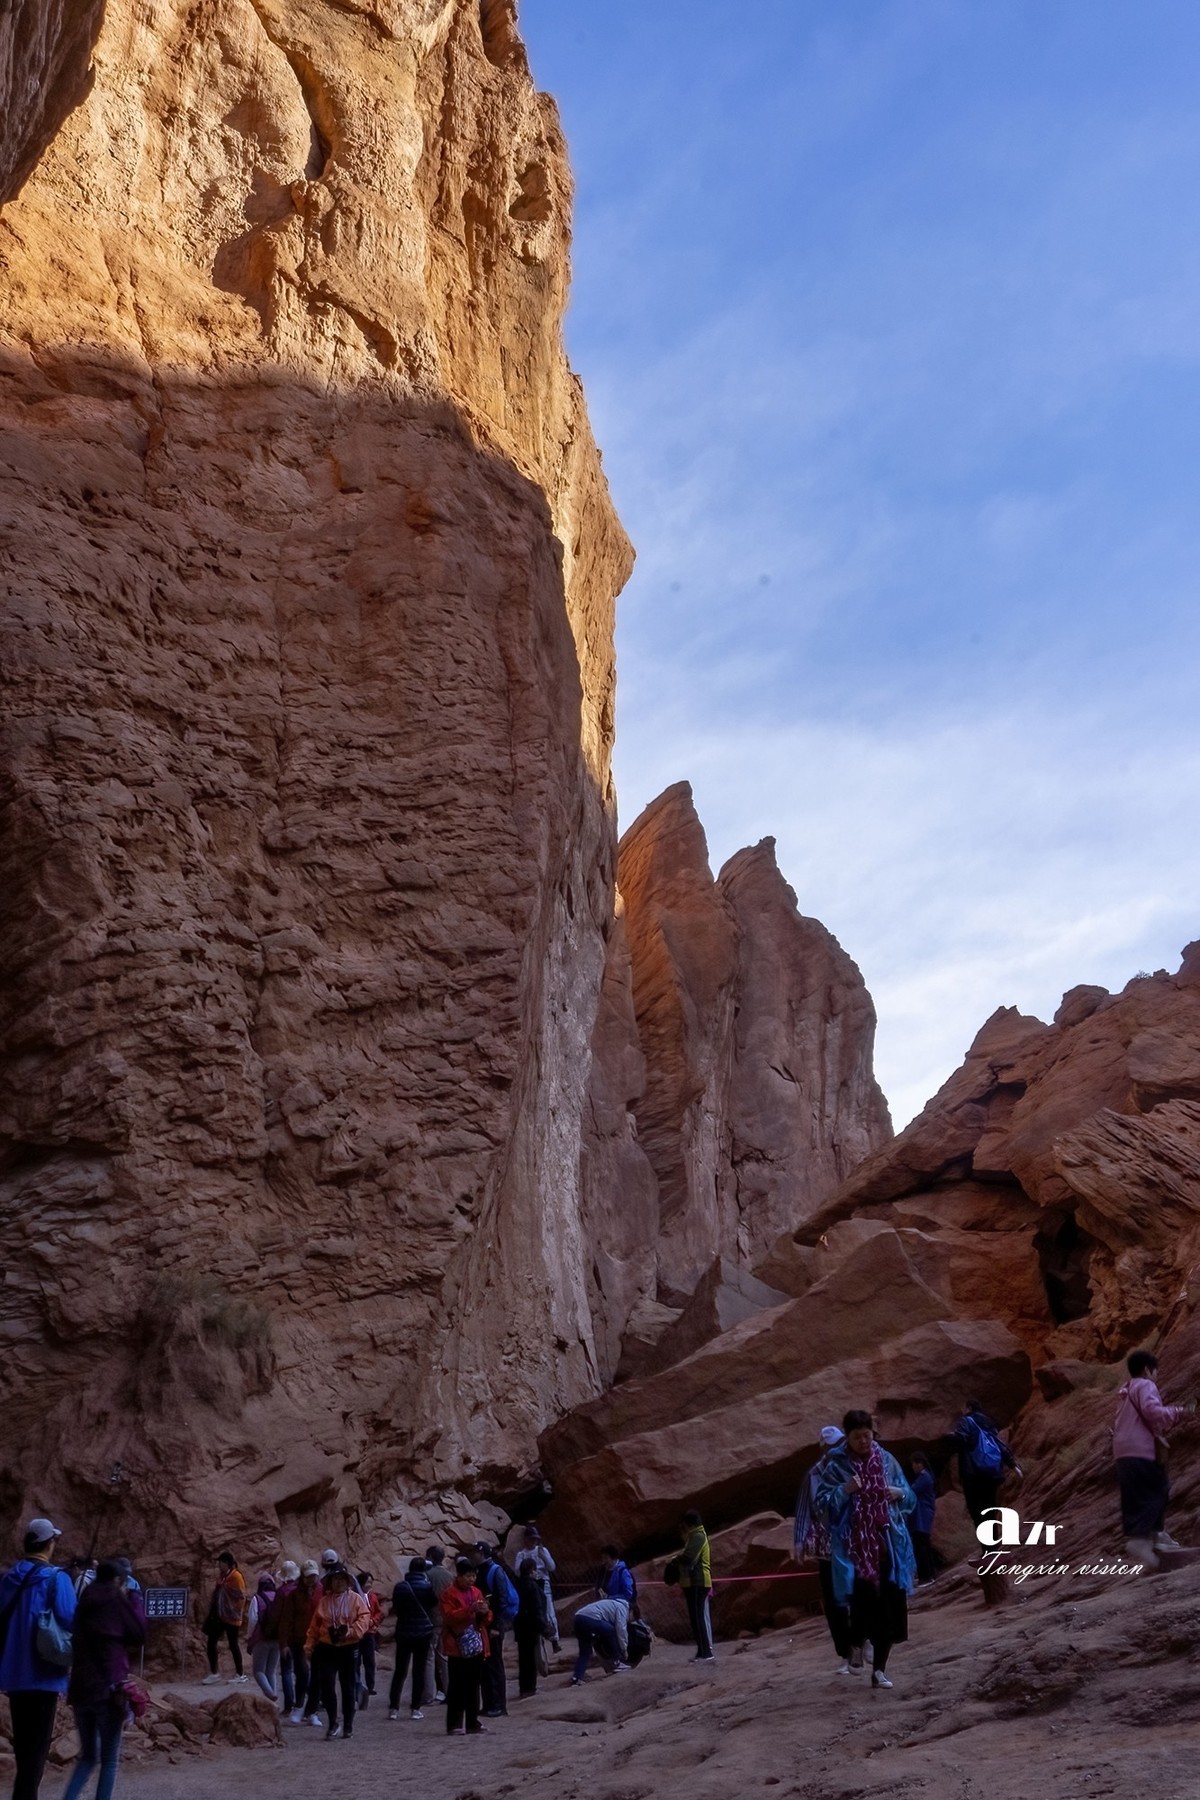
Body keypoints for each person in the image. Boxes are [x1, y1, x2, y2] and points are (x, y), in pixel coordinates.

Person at [816, 1410, 916, 1690]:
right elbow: (821, 1506)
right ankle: (856, 1643)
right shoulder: (836, 1466)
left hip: (887, 1546)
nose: (863, 1441)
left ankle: (880, 1670)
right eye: (857, 1437)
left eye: (867, 1435)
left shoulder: (887, 1460)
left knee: (890, 1608)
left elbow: (910, 1497)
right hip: (855, 1551)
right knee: (862, 1605)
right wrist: (844, 1490)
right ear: (847, 1438)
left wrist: (900, 1493)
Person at [0, 1517, 77, 1800]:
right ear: (49, 1544)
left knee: (23, 1746)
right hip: (44, 1673)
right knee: (37, 1749)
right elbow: (70, 1617)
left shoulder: (9, 1577)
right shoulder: (57, 1578)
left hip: (13, 1673)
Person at [60, 1557, 146, 1800]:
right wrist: (135, 1599)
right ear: (118, 1580)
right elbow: (138, 1634)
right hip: (108, 1689)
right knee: (109, 1759)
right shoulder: (116, 1600)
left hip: (80, 1689)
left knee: (88, 1756)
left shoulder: (84, 1601)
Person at [1113, 1349, 1196, 1567]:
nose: (1157, 1375)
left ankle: (1154, 1535)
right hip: (1141, 1449)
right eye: (1156, 1371)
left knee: (1136, 1494)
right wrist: (1180, 1412)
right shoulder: (1145, 1385)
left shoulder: (1125, 1391)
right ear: (1148, 1370)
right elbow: (1152, 1412)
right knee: (1159, 1488)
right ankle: (1141, 1539)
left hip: (1123, 1452)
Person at [794, 1425, 852, 1671]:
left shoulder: (852, 1468)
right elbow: (804, 1510)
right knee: (833, 1600)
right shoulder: (814, 1475)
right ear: (824, 1449)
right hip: (827, 1547)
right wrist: (799, 1541)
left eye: (839, 1443)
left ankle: (863, 1640)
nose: (838, 1448)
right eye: (832, 1446)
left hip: (853, 1541)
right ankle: (846, 1653)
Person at [305, 1564, 370, 1741]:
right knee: (327, 1685)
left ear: (347, 1581)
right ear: (330, 1582)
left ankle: (348, 1725)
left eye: (342, 1579)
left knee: (348, 1687)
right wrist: (309, 1647)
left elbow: (365, 1618)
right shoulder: (324, 1602)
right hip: (327, 1647)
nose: (338, 1582)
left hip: (349, 1648)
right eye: (335, 1579)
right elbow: (314, 1627)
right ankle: (333, 1722)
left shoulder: (356, 1599)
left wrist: (351, 1631)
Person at [441, 1555, 491, 1736]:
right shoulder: (448, 1594)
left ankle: (472, 1722)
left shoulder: (476, 1592)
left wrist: (485, 1612)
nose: (471, 1579)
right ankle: (454, 1724)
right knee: (457, 1686)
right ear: (459, 1576)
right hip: (457, 1646)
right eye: (468, 1576)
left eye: (473, 1576)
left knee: (473, 1685)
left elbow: (486, 1618)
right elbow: (449, 1616)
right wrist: (469, 1610)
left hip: (475, 1644)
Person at [951, 1401, 1021, 1528]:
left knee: (975, 1509)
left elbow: (961, 1439)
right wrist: (1012, 1463)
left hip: (972, 1473)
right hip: (991, 1473)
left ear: (969, 1408)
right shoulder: (988, 1423)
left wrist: (950, 1437)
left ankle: (985, 1539)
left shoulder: (966, 1421)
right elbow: (998, 1444)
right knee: (990, 1509)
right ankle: (992, 1539)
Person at [388, 1557, 437, 1721]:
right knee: (419, 1670)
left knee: (400, 1670)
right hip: (423, 1632)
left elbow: (396, 1607)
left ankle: (394, 1708)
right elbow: (433, 1603)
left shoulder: (400, 1587)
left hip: (404, 1632)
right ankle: (415, 1708)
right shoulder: (427, 1587)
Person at [473, 1543, 517, 1717]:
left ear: (482, 1553)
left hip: (493, 1626)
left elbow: (502, 1600)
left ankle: (499, 1705)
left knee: (494, 1664)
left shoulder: (494, 1571)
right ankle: (489, 1703)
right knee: (485, 1664)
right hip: (484, 1625)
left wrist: (498, 1626)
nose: (473, 1555)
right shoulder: (481, 1571)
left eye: (476, 1552)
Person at [280, 1561, 323, 1725]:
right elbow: (286, 1620)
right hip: (298, 1640)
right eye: (309, 1576)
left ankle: (312, 1712)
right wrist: (284, 1643)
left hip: (319, 1639)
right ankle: (298, 1706)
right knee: (303, 1673)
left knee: (317, 1676)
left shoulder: (321, 1591)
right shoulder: (294, 1595)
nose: (312, 1579)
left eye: (314, 1576)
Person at [202, 1551, 247, 1685]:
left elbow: (240, 1596)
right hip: (220, 1616)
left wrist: (233, 1610)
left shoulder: (236, 1577)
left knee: (233, 1644)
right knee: (211, 1642)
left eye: (220, 1562)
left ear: (226, 1563)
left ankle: (240, 1674)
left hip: (231, 1617)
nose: (219, 1565)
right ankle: (214, 1673)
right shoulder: (223, 1576)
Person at [677, 1510, 714, 1663]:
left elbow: (688, 1557)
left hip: (698, 1581)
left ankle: (706, 1652)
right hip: (693, 1582)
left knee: (698, 1618)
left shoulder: (698, 1536)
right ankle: (701, 1651)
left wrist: (674, 1560)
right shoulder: (694, 1536)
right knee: (695, 1618)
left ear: (689, 1524)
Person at [568, 1594, 630, 1684]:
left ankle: (577, 1677)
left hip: (578, 1618)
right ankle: (617, 1663)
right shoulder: (622, 1608)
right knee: (611, 1630)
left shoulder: (612, 1603)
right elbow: (621, 1629)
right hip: (589, 1619)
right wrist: (624, 1649)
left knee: (585, 1652)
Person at [516, 1526, 559, 1648]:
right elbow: (518, 1571)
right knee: (535, 1610)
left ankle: (554, 1638)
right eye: (531, 1539)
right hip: (530, 1584)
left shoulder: (542, 1550)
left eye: (535, 1539)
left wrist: (543, 1557)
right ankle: (539, 1636)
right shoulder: (522, 1554)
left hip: (543, 1582)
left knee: (549, 1611)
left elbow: (551, 1567)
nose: (533, 1541)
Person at [512, 1557, 550, 1698]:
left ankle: (524, 1688)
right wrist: (544, 1627)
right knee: (531, 1659)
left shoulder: (518, 1584)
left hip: (520, 1626)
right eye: (535, 1570)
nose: (536, 1572)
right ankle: (530, 1688)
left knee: (524, 1658)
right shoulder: (532, 1587)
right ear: (531, 1570)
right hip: (531, 1627)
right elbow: (536, 1609)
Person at [245, 1572, 281, 1701]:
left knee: (258, 1671)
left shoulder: (257, 1598)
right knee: (271, 1671)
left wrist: (250, 1636)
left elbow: (253, 1619)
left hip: (261, 1638)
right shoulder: (278, 1597)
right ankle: (273, 1699)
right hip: (277, 1638)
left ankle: (270, 1694)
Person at [424, 1546, 452, 1703]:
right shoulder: (449, 1575)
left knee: (429, 1657)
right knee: (444, 1657)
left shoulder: (428, 1575)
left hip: (432, 1619)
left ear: (430, 1557)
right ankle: (449, 1691)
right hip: (446, 1619)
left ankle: (428, 1694)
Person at [908, 1454, 938, 1587]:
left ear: (920, 1463)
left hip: (922, 1516)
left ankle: (926, 1577)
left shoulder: (924, 1477)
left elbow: (911, 1491)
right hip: (922, 1516)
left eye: (914, 1464)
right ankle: (929, 1574)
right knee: (923, 1544)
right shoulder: (925, 1476)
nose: (913, 1467)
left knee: (921, 1546)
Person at [274, 1561, 300, 1713]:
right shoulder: (299, 1590)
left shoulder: (281, 1592)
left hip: (285, 1635)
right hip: (300, 1634)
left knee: (286, 1670)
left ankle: (289, 1704)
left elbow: (277, 1615)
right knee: (302, 1668)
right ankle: (308, 1701)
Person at [356, 1571, 382, 1708]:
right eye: (367, 1582)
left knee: (369, 1660)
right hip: (358, 1633)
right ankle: (358, 1685)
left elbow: (378, 1612)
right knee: (356, 1661)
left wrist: (374, 1621)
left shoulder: (372, 1596)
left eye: (371, 1582)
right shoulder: (356, 1597)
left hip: (370, 1632)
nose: (370, 1585)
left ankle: (370, 1686)